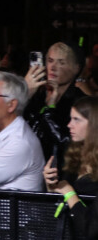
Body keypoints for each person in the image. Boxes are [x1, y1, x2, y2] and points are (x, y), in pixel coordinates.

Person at [43, 96, 98, 239]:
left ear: (93, 124)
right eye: (70, 118)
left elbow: (91, 229)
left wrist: (68, 191)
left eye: (76, 119)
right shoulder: (75, 155)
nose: (69, 125)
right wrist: (52, 187)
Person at [24, 41, 86, 163]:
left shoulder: (81, 102)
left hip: (60, 170)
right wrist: (25, 95)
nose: (53, 67)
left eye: (61, 62)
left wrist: (50, 108)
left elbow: (68, 144)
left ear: (76, 68)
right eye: (50, 60)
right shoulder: (36, 94)